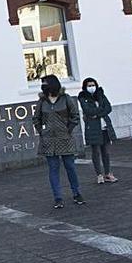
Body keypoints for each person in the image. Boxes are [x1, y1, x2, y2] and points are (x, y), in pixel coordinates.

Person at [33, 75, 86, 209]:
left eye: (45, 83)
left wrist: (68, 129)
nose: (43, 85)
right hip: (49, 141)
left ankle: (77, 193)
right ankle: (58, 197)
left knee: (70, 167)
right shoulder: (42, 101)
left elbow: (75, 116)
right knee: (53, 169)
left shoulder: (65, 98)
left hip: (65, 138)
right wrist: (42, 131)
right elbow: (36, 118)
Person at [77, 78, 117, 184]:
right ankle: (99, 174)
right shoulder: (82, 97)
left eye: (93, 85)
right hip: (93, 128)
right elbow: (88, 111)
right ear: (85, 87)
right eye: (89, 86)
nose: (92, 87)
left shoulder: (101, 94)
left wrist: (98, 113)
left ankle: (108, 173)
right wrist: (101, 109)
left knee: (106, 152)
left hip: (105, 127)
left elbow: (108, 107)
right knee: (96, 152)